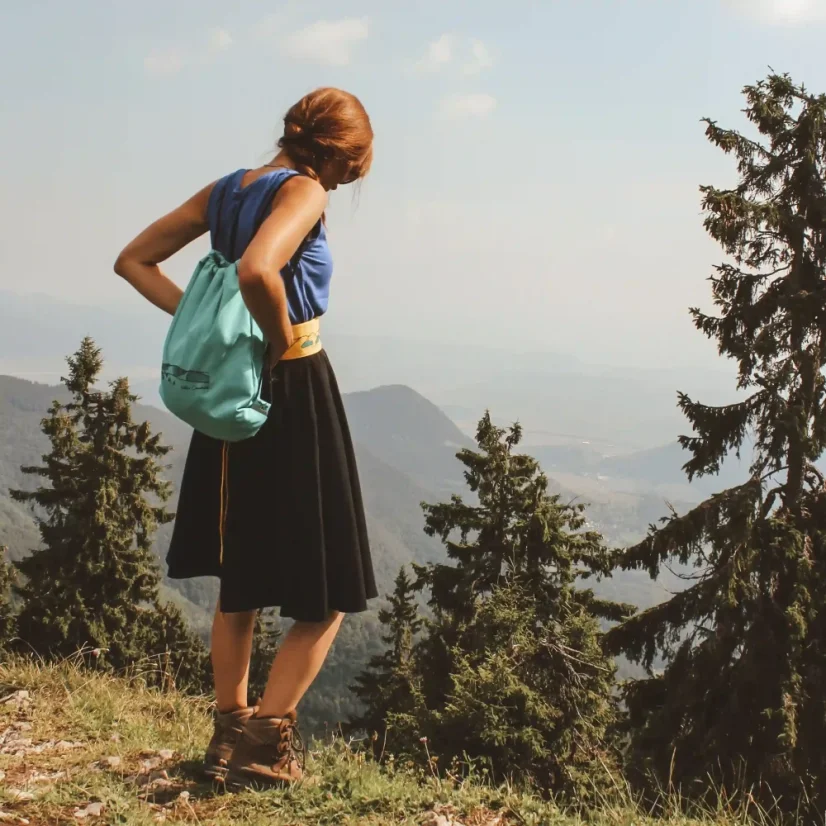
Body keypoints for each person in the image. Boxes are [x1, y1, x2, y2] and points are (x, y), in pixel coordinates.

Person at [114, 87, 378, 788]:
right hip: (290, 384)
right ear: (340, 155)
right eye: (352, 168)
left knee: (241, 577)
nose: (345, 183)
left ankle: (228, 736)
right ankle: (265, 745)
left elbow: (133, 260)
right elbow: (260, 269)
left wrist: (204, 325)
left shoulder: (227, 189)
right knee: (332, 589)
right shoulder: (304, 191)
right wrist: (277, 340)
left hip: (229, 396)